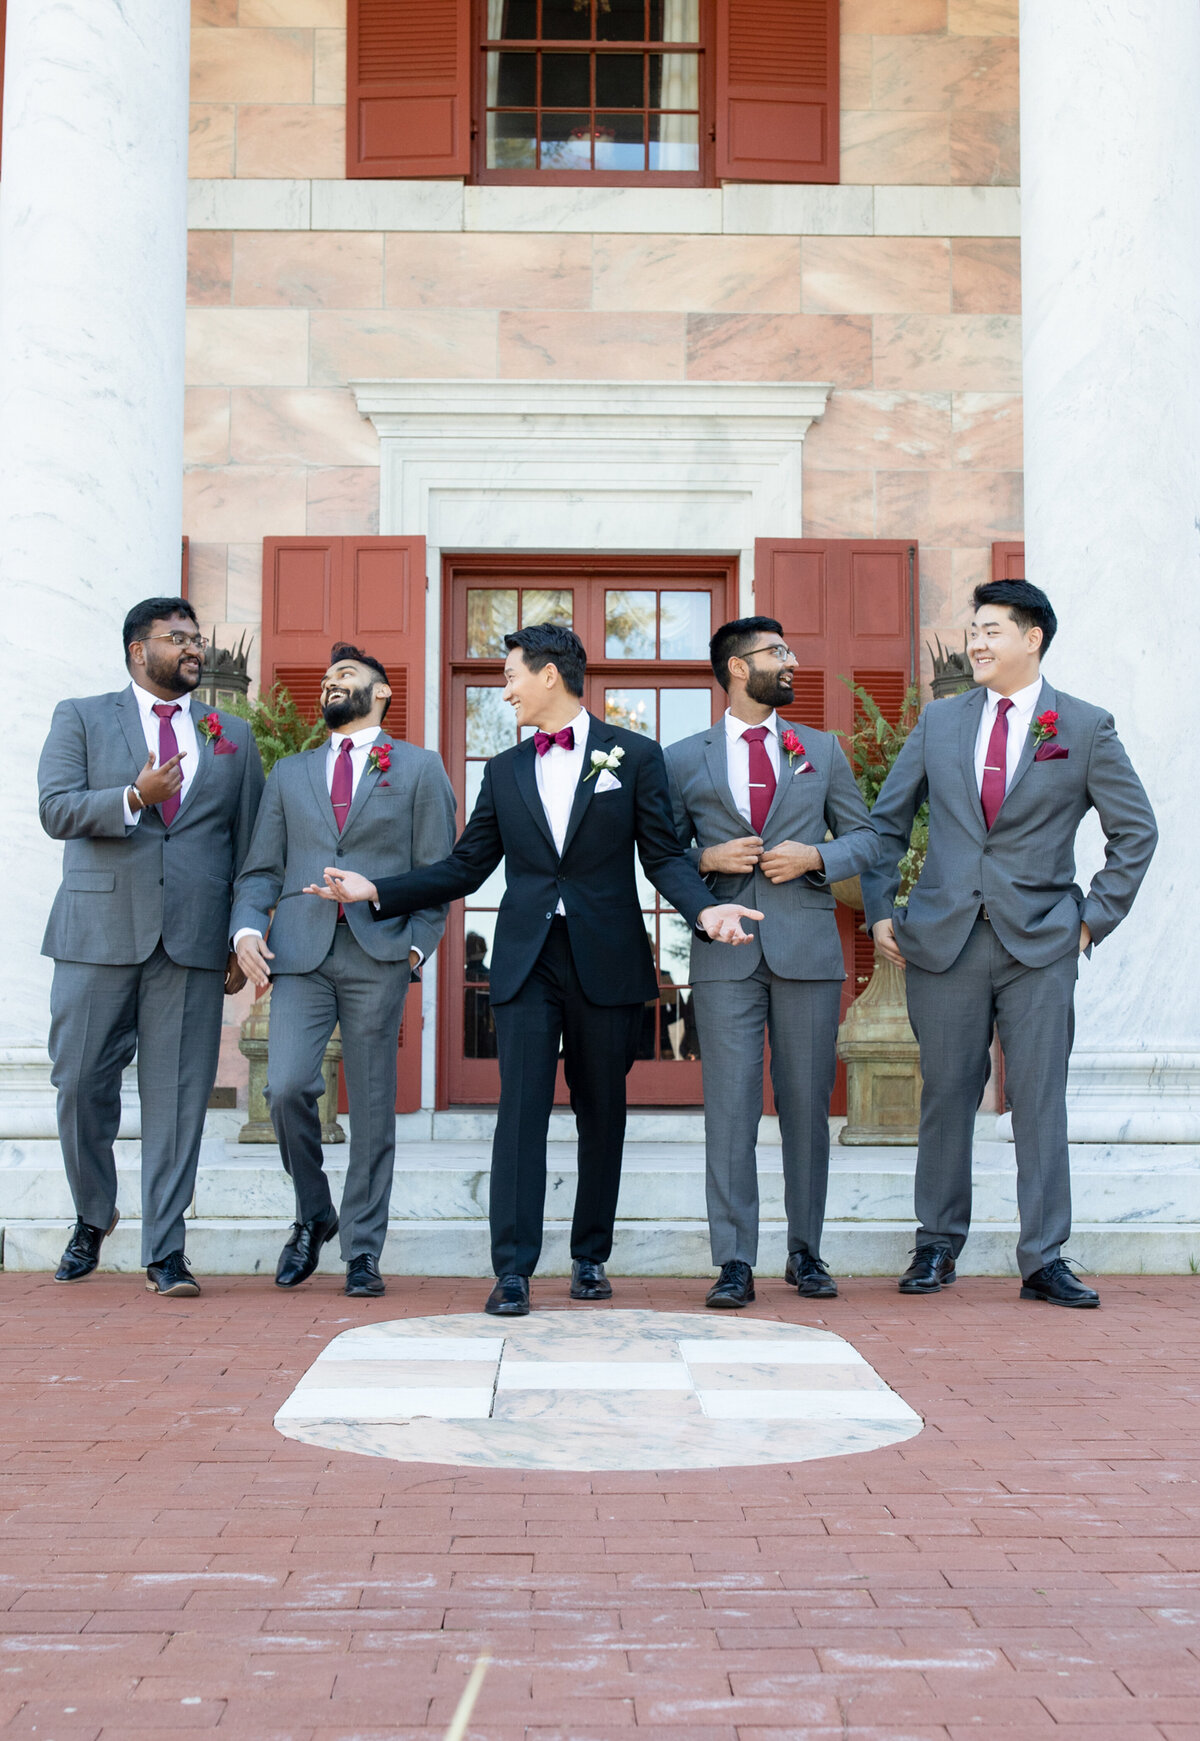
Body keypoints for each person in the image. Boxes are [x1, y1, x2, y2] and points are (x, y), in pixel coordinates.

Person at [306, 623, 763, 1316]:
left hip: (606, 959)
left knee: (600, 1111)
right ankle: (512, 1269)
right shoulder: (506, 769)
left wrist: (706, 912)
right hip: (525, 959)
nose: (505, 688)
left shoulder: (633, 755)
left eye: (512, 674)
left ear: (550, 675)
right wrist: (379, 889)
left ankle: (589, 1254)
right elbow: (466, 866)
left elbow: (665, 856)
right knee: (517, 1113)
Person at [863, 580, 1157, 1307]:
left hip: (1042, 944)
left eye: (992, 629)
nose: (977, 642)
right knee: (946, 1093)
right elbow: (885, 823)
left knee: (1039, 1099)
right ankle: (936, 1245)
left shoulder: (1083, 727)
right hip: (945, 942)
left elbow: (1136, 830)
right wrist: (878, 910)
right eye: (973, 629)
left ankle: (1043, 1257)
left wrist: (1093, 919)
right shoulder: (939, 724)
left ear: (1033, 637)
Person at [39, 596, 264, 1296]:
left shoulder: (233, 735)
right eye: (180, 638)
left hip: (192, 942)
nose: (195, 648)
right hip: (96, 934)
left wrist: (241, 929)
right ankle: (92, 1212)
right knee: (79, 1084)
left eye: (197, 638)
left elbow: (253, 847)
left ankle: (166, 1249)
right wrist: (132, 798)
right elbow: (56, 807)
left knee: (177, 1100)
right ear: (140, 650)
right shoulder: (81, 716)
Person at [666, 616, 880, 1308]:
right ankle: (733, 1259)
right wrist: (705, 857)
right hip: (724, 953)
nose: (791, 661)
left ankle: (806, 1251)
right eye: (776, 652)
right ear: (735, 666)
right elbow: (662, 856)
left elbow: (869, 839)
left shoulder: (821, 748)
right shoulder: (681, 757)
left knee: (807, 1108)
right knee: (729, 1109)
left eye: (789, 648)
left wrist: (818, 856)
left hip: (809, 951)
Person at [231, 644, 455, 1297]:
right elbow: (260, 871)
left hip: (377, 951)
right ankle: (313, 1211)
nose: (332, 684)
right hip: (298, 953)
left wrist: (415, 946)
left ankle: (362, 1249)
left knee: (375, 1106)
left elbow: (435, 872)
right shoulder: (291, 774)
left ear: (381, 693)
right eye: (327, 678)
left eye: (347, 676)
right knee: (286, 1087)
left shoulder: (417, 768)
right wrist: (247, 928)